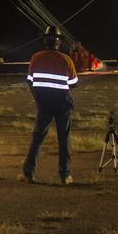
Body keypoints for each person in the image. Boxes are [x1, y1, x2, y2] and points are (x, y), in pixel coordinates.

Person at [22, 26, 78, 185]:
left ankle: (28, 173)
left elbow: (30, 82)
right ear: (59, 42)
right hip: (62, 103)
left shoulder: (35, 58)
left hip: (43, 103)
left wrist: (37, 98)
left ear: (45, 40)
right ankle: (65, 175)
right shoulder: (66, 59)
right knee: (64, 138)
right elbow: (73, 83)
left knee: (38, 138)